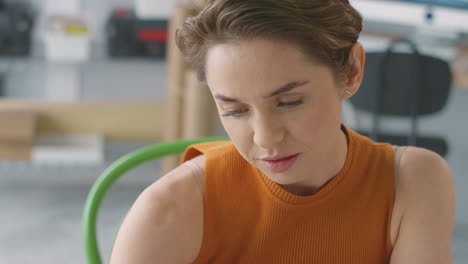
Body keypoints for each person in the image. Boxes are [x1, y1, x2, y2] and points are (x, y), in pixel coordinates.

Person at [110, 0, 455, 263]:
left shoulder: (413, 181)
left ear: (351, 70)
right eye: (235, 110)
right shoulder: (169, 209)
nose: (265, 138)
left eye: (289, 102)